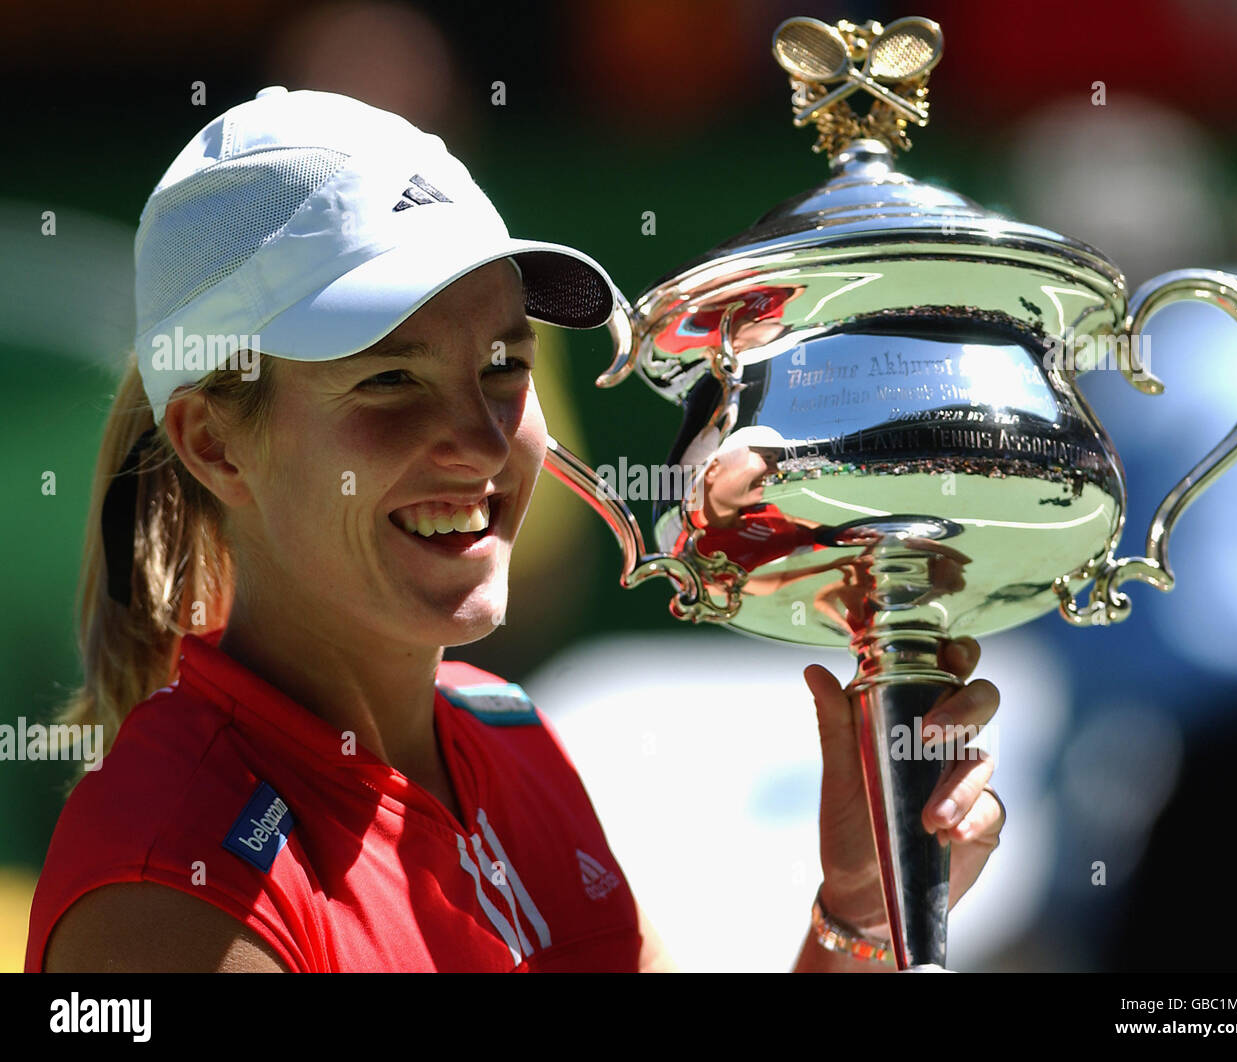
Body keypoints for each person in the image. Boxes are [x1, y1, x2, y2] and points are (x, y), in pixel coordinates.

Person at [24, 88, 1005, 973]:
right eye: (391, 379)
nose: (481, 441)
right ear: (214, 445)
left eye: (503, 365)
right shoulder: (169, 890)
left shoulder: (509, 735)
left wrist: (859, 919)